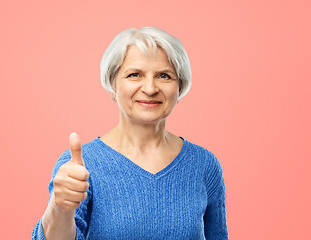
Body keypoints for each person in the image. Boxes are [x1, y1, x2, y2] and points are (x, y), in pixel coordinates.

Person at [32, 26, 228, 240]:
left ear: (179, 88)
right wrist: (59, 208)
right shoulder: (80, 166)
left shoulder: (204, 165)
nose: (150, 88)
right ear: (113, 84)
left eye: (164, 76)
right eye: (135, 75)